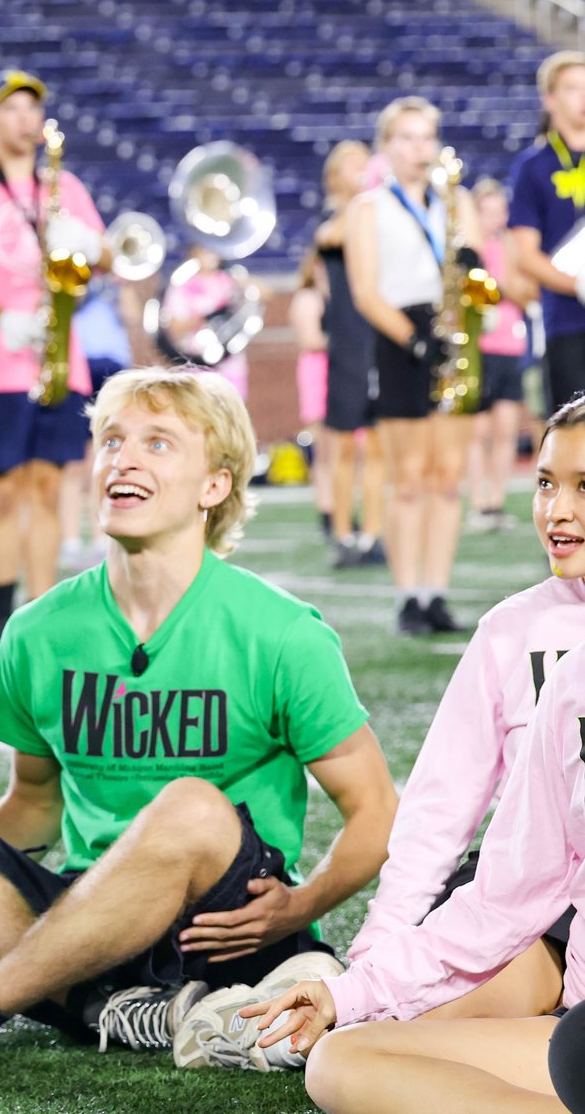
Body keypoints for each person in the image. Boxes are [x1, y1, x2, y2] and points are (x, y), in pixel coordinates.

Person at [0, 367, 396, 1068]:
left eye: (158, 443)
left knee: (191, 805)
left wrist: (299, 904)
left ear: (214, 485)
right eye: (110, 440)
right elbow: (35, 802)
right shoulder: (37, 630)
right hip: (86, 909)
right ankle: (104, 1004)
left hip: (221, 925)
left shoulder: (283, 632)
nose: (122, 458)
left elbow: (376, 808)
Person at [185, 396, 585, 1075]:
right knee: (364, 1054)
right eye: (545, 481)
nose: (557, 510)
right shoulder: (513, 633)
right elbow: (440, 818)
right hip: (532, 896)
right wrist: (367, 968)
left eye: (584, 487)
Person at [0, 70, 105, 652]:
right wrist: (4, 318)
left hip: (60, 358)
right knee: (5, 491)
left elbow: (102, 259)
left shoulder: (66, 187)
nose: (26, 118)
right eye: (12, 108)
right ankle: (2, 621)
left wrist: (85, 244)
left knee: (48, 488)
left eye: (33, 108)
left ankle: (41, 616)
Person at [346, 96, 476, 636]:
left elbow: (475, 265)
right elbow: (365, 293)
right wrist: (418, 342)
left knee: (446, 479)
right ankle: (408, 597)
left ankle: (436, 593)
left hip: (454, 332)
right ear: (387, 146)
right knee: (408, 480)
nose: (418, 149)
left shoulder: (457, 200)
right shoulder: (368, 207)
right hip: (402, 341)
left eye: (426, 137)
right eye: (406, 137)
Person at [318, 139, 388, 571]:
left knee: (379, 447)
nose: (362, 171)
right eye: (352, 166)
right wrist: (363, 198)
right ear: (334, 178)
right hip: (346, 344)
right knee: (344, 445)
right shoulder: (336, 220)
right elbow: (331, 239)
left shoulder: (380, 217)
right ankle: (343, 533)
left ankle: (373, 535)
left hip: (378, 340)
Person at [509, 48, 585, 418]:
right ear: (550, 99)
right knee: (573, 434)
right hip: (567, 319)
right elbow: (525, 254)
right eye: (573, 88)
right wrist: (577, 285)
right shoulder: (532, 167)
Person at [467, 178, 535, 535]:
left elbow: (522, 294)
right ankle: (478, 502)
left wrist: (503, 284)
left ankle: (496, 501)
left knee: (507, 429)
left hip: (510, 346)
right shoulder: (469, 250)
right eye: (488, 211)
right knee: (478, 432)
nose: (496, 218)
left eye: (500, 211)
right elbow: (476, 296)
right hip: (478, 348)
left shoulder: (512, 246)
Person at [59, 273, 139, 570]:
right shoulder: (69, 276)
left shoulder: (114, 283)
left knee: (104, 459)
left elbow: (132, 316)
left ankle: (100, 536)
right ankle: (69, 539)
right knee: (73, 461)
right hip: (76, 367)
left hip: (113, 369)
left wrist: (120, 285)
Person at [159, 245, 251, 400]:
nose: (210, 254)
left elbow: (263, 293)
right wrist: (206, 317)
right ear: (193, 253)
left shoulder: (229, 281)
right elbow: (173, 329)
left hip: (229, 365)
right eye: (205, 249)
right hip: (194, 366)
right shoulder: (180, 285)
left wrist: (243, 281)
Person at [294, 250, 334, 538]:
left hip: (340, 370)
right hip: (318, 372)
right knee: (323, 447)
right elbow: (310, 339)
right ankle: (327, 508)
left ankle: (340, 507)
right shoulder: (307, 298)